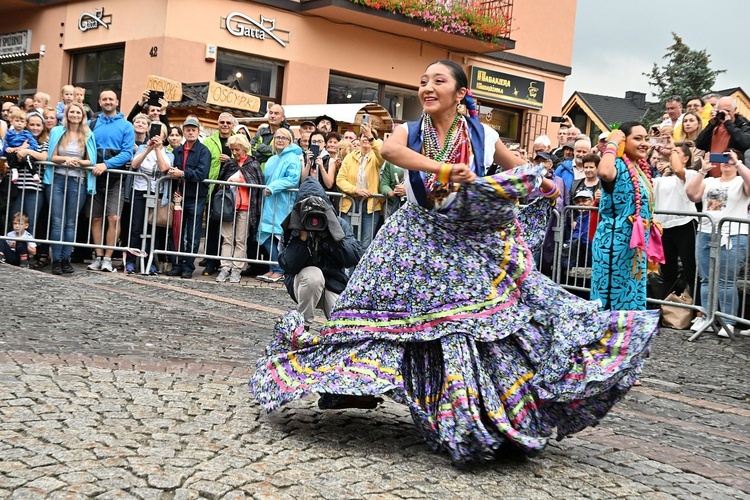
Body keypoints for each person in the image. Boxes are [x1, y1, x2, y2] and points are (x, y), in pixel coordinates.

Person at [249, 60, 659, 466]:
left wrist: (545, 184)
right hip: (411, 239)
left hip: (465, 245)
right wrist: (442, 167)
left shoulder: (484, 135)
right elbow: (392, 151)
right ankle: (353, 383)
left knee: (468, 325)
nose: (427, 87)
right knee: (371, 310)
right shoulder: (409, 130)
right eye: (423, 81)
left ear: (460, 93)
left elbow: (522, 170)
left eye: (438, 81)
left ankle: (475, 409)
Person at [277, 177, 363, 329]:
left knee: (343, 326)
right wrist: (301, 238)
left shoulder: (338, 223)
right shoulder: (294, 225)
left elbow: (354, 257)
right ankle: (304, 326)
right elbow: (287, 265)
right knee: (313, 275)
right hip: (303, 282)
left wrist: (332, 235)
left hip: (332, 282)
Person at [591, 122, 657, 310]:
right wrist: (612, 143)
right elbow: (603, 172)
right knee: (613, 301)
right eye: (637, 138)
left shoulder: (640, 170)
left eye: (646, 138)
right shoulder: (617, 165)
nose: (644, 143)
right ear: (623, 141)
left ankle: (629, 336)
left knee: (633, 297)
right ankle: (609, 338)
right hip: (615, 246)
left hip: (635, 247)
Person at [686, 149, 750, 336]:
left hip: (733, 235)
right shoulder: (709, 181)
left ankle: (728, 321)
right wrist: (703, 170)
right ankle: (707, 316)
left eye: (729, 158)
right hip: (706, 232)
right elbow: (692, 194)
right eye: (723, 158)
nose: (726, 162)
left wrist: (738, 163)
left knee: (726, 281)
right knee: (706, 278)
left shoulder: (740, 181)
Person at [45, 102, 97, 275]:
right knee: (57, 221)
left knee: (71, 222)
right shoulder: (57, 132)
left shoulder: (88, 134)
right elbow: (51, 156)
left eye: (78, 112)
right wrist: (64, 159)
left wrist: (78, 162)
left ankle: (66, 258)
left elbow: (91, 161)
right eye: (72, 112)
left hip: (78, 181)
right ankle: (56, 260)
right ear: (66, 114)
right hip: (57, 179)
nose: (75, 115)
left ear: (83, 116)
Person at [87, 89, 135, 273]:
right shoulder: (92, 123)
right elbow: (88, 147)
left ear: (117, 102)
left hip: (115, 177)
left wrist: (106, 164)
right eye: (104, 99)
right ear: (99, 102)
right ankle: (98, 257)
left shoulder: (126, 126)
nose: (108, 102)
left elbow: (126, 153)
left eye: (111, 99)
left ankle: (108, 258)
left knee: (114, 218)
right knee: (96, 218)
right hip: (94, 176)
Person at [165, 117, 211, 279]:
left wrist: (183, 174)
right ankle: (176, 263)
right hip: (179, 196)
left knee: (192, 233)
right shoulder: (177, 151)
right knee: (176, 231)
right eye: (188, 130)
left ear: (198, 132)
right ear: (184, 132)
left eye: (193, 130)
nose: (190, 132)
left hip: (195, 197)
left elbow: (202, 173)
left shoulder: (203, 151)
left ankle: (188, 266)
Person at [126, 122, 173, 275]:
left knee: (153, 230)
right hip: (139, 191)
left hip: (157, 194)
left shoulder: (168, 153)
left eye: (160, 134)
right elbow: (134, 164)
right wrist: (147, 149)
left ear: (164, 137)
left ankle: (151, 262)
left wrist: (158, 149)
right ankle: (131, 262)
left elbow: (164, 168)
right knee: (136, 227)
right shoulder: (141, 148)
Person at [215, 135, 263, 284]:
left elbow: (256, 182)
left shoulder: (253, 164)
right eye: (232, 149)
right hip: (229, 206)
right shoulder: (230, 164)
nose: (234, 152)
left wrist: (241, 181)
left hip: (246, 207)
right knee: (227, 238)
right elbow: (221, 181)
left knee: (240, 239)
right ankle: (224, 267)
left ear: (244, 148)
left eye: (237, 149)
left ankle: (237, 268)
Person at [256, 127, 301, 283]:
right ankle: (273, 267)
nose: (280, 140)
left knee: (279, 237)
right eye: (277, 137)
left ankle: (279, 269)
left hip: (283, 203)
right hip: (269, 202)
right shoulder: (271, 159)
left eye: (284, 138)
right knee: (266, 235)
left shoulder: (293, 158)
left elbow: (292, 179)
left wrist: (273, 188)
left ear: (289, 141)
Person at [653, 142, 698, 298]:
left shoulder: (690, 174)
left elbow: (678, 170)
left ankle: (697, 313)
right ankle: (667, 310)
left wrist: (669, 148)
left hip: (684, 224)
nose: (671, 154)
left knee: (690, 270)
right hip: (664, 227)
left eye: (676, 152)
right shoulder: (660, 179)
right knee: (667, 272)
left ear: (685, 158)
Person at [335, 125, 385, 249]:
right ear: (359, 138)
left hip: (370, 205)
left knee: (366, 242)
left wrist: (371, 137)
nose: (366, 138)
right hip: (350, 203)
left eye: (369, 136)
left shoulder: (376, 157)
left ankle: (361, 269)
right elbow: (340, 179)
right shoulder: (349, 157)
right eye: (364, 135)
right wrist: (355, 190)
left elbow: (382, 155)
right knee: (347, 239)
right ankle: (348, 269)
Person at [14, 112, 49, 238]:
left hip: (35, 189)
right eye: (32, 124)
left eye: (38, 125)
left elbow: (44, 157)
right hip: (17, 187)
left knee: (30, 222)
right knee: (14, 220)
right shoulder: (20, 139)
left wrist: (27, 151)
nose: (35, 127)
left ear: (43, 126)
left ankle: (27, 251)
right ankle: (12, 251)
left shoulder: (45, 142)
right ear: (26, 125)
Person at [2, 109, 39, 183]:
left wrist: (26, 149)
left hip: (23, 153)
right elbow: (4, 144)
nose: (19, 123)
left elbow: (34, 145)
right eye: (17, 121)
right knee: (10, 154)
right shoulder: (9, 133)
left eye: (22, 121)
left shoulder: (27, 134)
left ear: (25, 123)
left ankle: (34, 174)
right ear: (12, 121)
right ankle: (14, 171)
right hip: (12, 153)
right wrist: (7, 148)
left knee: (28, 158)